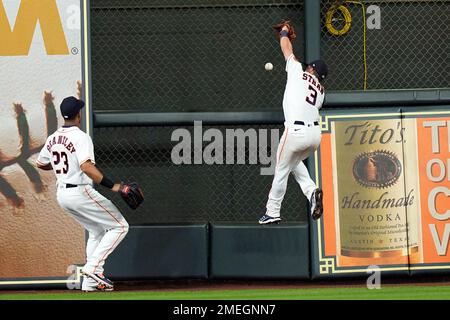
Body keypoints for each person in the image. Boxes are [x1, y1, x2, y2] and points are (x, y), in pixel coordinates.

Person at [36, 96, 129, 292]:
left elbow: (40, 163)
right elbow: (86, 166)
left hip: (62, 195)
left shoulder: (53, 138)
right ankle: (92, 269)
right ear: (79, 115)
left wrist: (61, 168)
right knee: (120, 226)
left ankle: (89, 283)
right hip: (79, 190)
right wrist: (114, 186)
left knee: (96, 231)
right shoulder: (81, 136)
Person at [259, 24, 328, 224]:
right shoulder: (322, 92)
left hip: (295, 131)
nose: (307, 66)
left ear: (312, 69)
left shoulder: (298, 70)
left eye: (310, 66)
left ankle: (272, 211)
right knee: (294, 162)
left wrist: (284, 33)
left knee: (281, 169)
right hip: (315, 137)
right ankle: (312, 192)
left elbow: (287, 50)